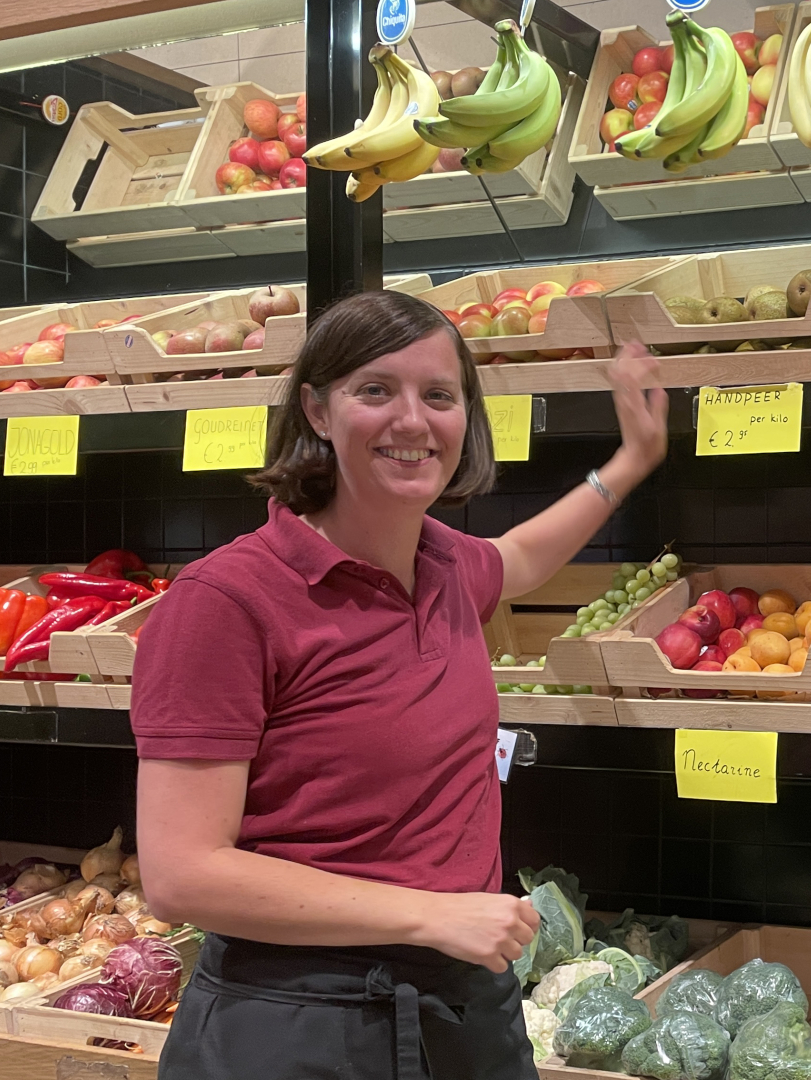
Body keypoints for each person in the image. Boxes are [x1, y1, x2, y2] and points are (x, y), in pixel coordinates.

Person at [129, 289, 668, 1079]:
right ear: (317, 409)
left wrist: (629, 464)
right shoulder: (229, 601)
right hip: (301, 1021)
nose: (413, 421)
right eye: (375, 390)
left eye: (439, 395)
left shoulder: (446, 563)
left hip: (462, 1005)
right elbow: (182, 874)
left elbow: (520, 557)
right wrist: (431, 914)